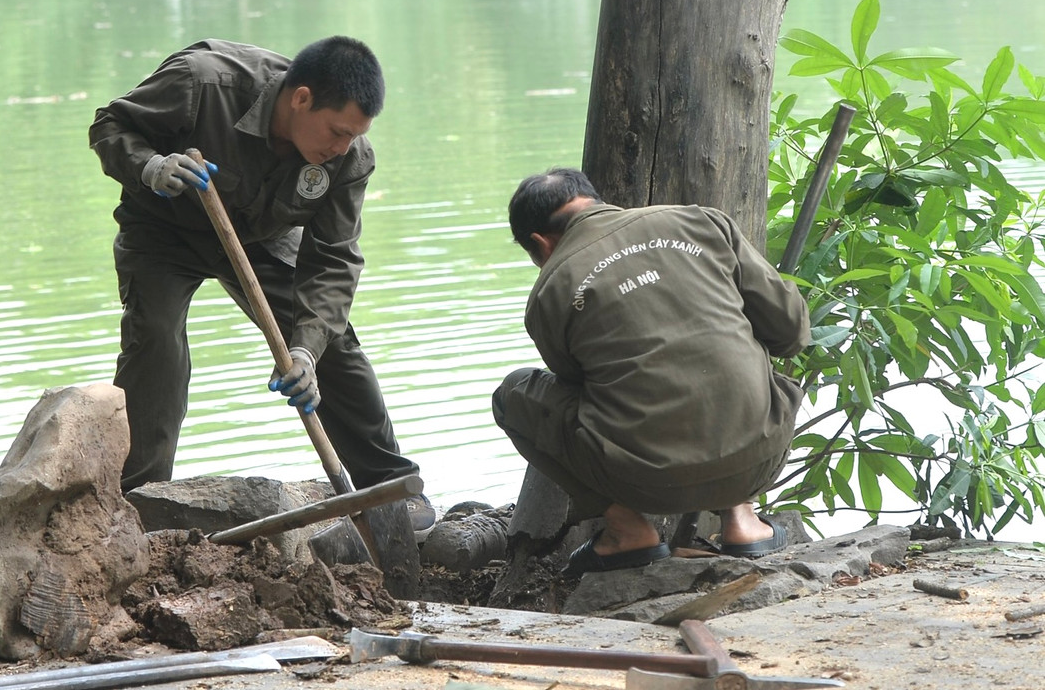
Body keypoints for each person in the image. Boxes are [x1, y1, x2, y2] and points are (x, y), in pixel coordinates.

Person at [88, 36, 434, 531]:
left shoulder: (349, 158)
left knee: (329, 341)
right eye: (336, 132)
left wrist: (307, 352)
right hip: (165, 227)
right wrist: (150, 166)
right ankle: (141, 498)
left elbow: (334, 258)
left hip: (262, 235)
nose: (340, 147)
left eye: (352, 137)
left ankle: (388, 490)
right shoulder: (203, 83)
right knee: (157, 343)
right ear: (301, 99)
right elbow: (110, 125)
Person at [494, 167, 810, 577]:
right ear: (593, 200)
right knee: (736, 341)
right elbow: (792, 332)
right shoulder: (702, 222)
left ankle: (628, 532)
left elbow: (577, 386)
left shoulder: (551, 288)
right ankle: (743, 521)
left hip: (643, 481)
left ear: (540, 243)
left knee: (512, 396)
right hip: (763, 455)